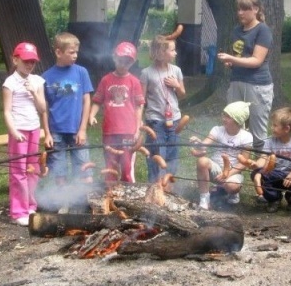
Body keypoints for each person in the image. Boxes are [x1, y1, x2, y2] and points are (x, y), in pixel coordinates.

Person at [42, 32, 94, 211]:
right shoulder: (46, 77)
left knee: (84, 166)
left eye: (76, 52)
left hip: (76, 130)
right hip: (56, 131)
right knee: (59, 170)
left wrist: (83, 129)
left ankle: (86, 202)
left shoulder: (81, 72)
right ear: (58, 52)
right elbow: (45, 108)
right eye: (71, 52)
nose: (75, 56)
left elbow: (87, 100)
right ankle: (63, 203)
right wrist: (47, 133)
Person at [2, 42, 51, 226]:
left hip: (33, 129)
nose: (29, 65)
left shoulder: (37, 81)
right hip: (19, 130)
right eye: (26, 61)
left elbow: (43, 108)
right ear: (15, 60)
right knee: (18, 171)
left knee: (33, 170)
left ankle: (30, 204)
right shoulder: (10, 83)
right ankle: (18, 211)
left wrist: (34, 92)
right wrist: (13, 131)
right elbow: (7, 111)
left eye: (33, 62)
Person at [217, 0, 273, 150]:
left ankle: (260, 169)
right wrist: (231, 62)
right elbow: (240, 56)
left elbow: (256, 60)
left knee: (257, 131)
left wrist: (233, 59)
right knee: (232, 124)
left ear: (255, 9)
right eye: (238, 9)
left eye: (244, 9)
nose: (240, 13)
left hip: (257, 85)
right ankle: (235, 162)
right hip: (237, 81)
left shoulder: (263, 30)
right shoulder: (237, 30)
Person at [89, 41, 145, 183]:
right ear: (114, 57)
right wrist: (91, 115)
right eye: (121, 60)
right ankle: (111, 196)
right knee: (111, 167)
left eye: (127, 62)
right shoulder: (106, 80)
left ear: (132, 63)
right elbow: (97, 101)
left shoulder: (134, 82)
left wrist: (137, 129)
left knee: (127, 167)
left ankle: (130, 197)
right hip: (109, 132)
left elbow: (139, 106)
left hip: (128, 131)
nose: (123, 64)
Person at [141, 33, 185, 184]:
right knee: (157, 152)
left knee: (172, 153)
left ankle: (169, 185)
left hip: (174, 119)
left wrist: (177, 86)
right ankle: (155, 184)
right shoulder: (147, 73)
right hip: (155, 121)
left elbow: (182, 94)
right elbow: (142, 99)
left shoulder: (176, 70)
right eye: (172, 50)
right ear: (161, 53)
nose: (175, 53)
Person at [192, 101, 253, 210]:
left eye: (228, 117)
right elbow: (205, 144)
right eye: (224, 115)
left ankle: (232, 193)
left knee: (232, 186)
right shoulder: (217, 130)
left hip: (233, 171)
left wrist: (227, 174)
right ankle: (204, 199)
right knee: (202, 161)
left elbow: (243, 163)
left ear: (238, 120)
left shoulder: (246, 137)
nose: (224, 118)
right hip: (215, 168)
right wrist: (198, 143)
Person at [252, 107, 291, 213]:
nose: (272, 128)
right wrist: (256, 165)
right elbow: (263, 158)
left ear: (287, 129)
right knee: (257, 174)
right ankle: (274, 199)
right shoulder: (270, 141)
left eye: (275, 125)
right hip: (275, 174)